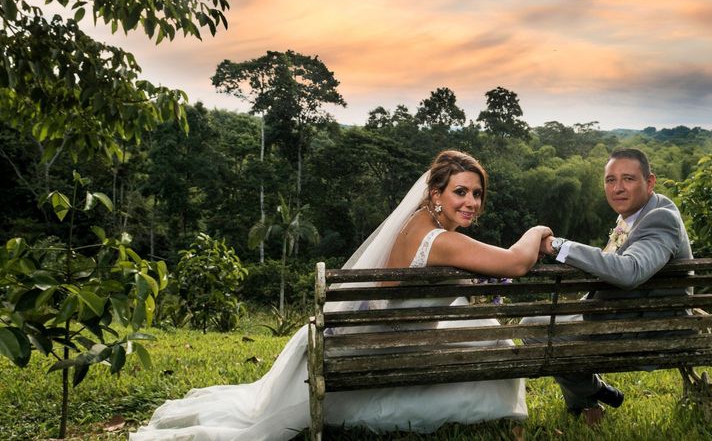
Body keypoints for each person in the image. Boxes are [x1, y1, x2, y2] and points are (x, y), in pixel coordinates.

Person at [131, 150, 552, 440]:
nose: (471, 202)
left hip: (363, 337)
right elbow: (516, 263)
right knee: (493, 336)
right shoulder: (440, 240)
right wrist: (538, 231)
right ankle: (506, 421)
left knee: (480, 325)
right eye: (460, 191)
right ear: (435, 194)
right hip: (386, 349)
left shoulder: (415, 225)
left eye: (477, 193)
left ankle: (497, 418)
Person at [532, 148, 693, 420]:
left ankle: (590, 396)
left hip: (647, 331)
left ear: (649, 182)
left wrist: (558, 246)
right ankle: (591, 400)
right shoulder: (640, 214)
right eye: (610, 180)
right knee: (537, 323)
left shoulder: (660, 219)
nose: (617, 188)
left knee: (536, 331)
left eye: (628, 179)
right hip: (620, 316)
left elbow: (629, 271)